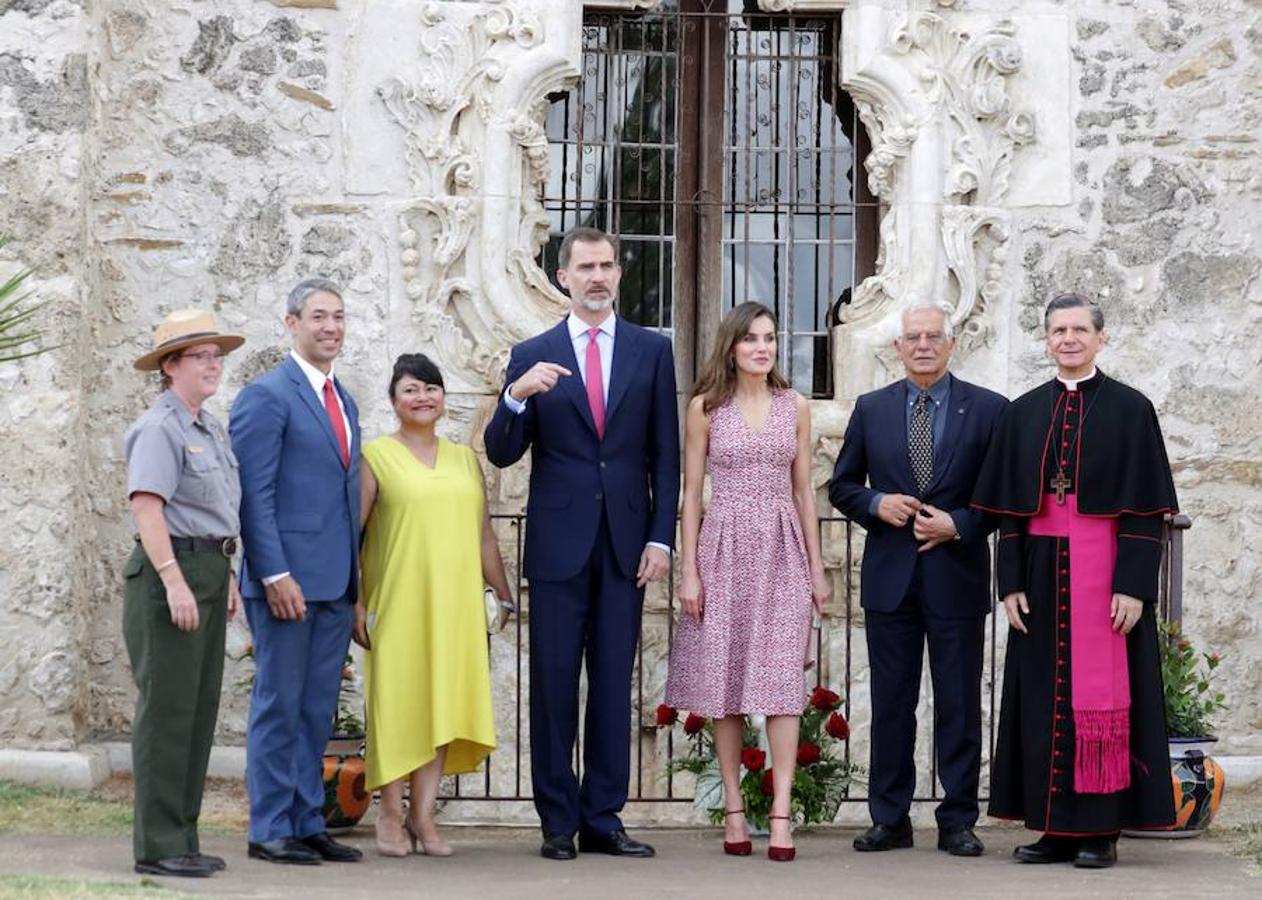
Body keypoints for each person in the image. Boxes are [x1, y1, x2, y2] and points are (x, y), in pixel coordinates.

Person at [483, 227, 680, 861]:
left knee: (615, 682)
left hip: (626, 545)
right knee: (554, 684)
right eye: (585, 267)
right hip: (559, 544)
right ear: (562, 277)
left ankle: (603, 817)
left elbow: (665, 456)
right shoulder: (531, 353)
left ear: (619, 273)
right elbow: (501, 451)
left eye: (607, 265)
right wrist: (517, 396)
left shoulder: (651, 352)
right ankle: (557, 822)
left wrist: (661, 538)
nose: (598, 276)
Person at [970, 292, 1177, 868]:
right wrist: (1009, 583)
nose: (1068, 338)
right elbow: (1010, 512)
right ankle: (1050, 828)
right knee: (1040, 700)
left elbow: (1144, 511)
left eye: (1079, 329)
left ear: (1100, 338)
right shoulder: (1024, 411)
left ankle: (1099, 832)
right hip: (1040, 573)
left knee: (1104, 698)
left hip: (1104, 573)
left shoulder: (1131, 410)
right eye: (1058, 330)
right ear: (1047, 339)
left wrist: (1134, 586)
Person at [829, 302, 1008, 857]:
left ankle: (957, 820)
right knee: (891, 703)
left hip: (956, 576)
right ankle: (890, 818)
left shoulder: (989, 409)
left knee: (958, 702)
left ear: (951, 344)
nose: (923, 345)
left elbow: (1004, 496)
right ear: (899, 347)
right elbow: (841, 485)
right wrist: (876, 503)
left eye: (933, 336)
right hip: (890, 579)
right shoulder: (872, 408)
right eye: (913, 337)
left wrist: (960, 525)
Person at [664, 302, 829, 862]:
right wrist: (689, 570)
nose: (763, 347)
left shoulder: (796, 406)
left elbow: (805, 491)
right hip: (723, 548)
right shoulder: (706, 408)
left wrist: (818, 567)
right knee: (727, 687)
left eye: (770, 338)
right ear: (731, 346)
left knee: (783, 687)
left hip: (783, 549)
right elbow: (690, 494)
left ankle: (781, 815)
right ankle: (734, 810)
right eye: (752, 339)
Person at [354, 353, 514, 857]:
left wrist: (504, 593)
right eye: (410, 390)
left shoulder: (466, 459)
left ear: (443, 398)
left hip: (457, 605)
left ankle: (424, 819)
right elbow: (351, 535)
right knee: (398, 705)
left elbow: (484, 534)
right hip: (397, 601)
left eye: (431, 388)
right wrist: (354, 602)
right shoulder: (375, 457)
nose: (423, 397)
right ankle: (389, 813)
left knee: (443, 706)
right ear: (393, 401)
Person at [230, 278, 363, 866]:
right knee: (278, 706)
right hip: (286, 583)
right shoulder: (267, 397)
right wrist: (273, 573)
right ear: (291, 324)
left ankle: (309, 820)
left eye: (338, 316)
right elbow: (253, 497)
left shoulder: (346, 400)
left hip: (335, 583)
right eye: (317, 316)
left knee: (316, 710)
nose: (330, 326)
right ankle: (269, 827)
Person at [123, 309, 245, 878]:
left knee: (197, 711)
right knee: (168, 710)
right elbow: (147, 507)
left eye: (217, 356)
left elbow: (217, 511)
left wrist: (229, 579)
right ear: (170, 367)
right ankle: (158, 844)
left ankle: (183, 835)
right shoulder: (160, 427)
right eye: (201, 356)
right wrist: (173, 580)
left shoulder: (209, 427)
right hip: (172, 569)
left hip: (210, 570)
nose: (213, 365)